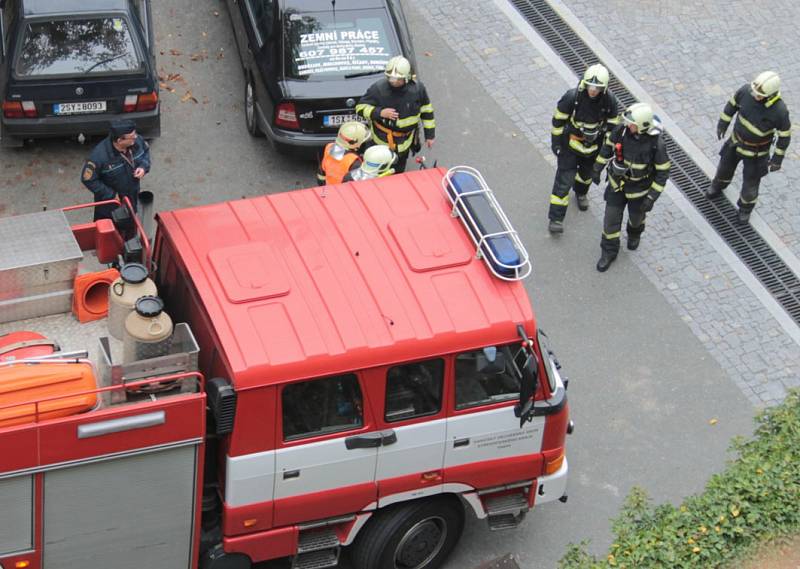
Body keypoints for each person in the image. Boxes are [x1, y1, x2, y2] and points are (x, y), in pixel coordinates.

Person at [592, 102, 670, 272]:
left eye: (632, 124)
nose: (628, 125)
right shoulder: (620, 131)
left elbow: (663, 173)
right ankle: (609, 252)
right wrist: (597, 168)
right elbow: (607, 149)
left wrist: (651, 198)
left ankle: (634, 233)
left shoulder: (657, 144)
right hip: (617, 184)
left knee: (636, 218)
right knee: (610, 221)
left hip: (639, 191)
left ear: (642, 126)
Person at [707, 71, 791, 224]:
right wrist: (723, 123)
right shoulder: (746, 91)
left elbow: (784, 136)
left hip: (756, 154)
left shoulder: (780, 111)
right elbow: (732, 105)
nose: (754, 95)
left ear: (770, 96)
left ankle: (745, 209)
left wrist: (777, 159)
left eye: (759, 94)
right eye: (754, 91)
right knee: (724, 168)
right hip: (735, 143)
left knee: (751, 184)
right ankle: (718, 185)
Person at [548, 64, 621, 233]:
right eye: (591, 86)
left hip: (593, 147)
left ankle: (581, 193)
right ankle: (556, 219)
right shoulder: (572, 97)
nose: (593, 90)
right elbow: (558, 121)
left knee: (586, 176)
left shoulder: (609, 101)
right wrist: (556, 143)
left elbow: (613, 129)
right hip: (571, 146)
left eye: (597, 88)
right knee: (563, 182)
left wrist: (606, 152)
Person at [355, 55, 435, 173]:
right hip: (381, 143)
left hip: (405, 143)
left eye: (397, 79)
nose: (393, 81)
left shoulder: (418, 89)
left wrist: (430, 135)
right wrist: (379, 112)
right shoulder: (378, 89)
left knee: (398, 173)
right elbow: (360, 108)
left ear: (407, 77)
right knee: (377, 173)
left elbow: (426, 111)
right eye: (390, 78)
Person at [81, 119, 151, 220]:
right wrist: (110, 195)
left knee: (131, 228)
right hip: (110, 207)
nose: (136, 137)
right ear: (119, 140)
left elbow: (145, 151)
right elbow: (88, 179)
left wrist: (143, 167)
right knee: (108, 232)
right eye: (131, 137)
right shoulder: (99, 157)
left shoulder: (136, 141)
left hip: (132, 198)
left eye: (135, 134)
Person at [317, 121, 370, 186]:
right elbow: (357, 184)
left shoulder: (329, 147)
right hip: (343, 192)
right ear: (355, 143)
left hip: (328, 188)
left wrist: (321, 187)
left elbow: (322, 170)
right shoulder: (353, 161)